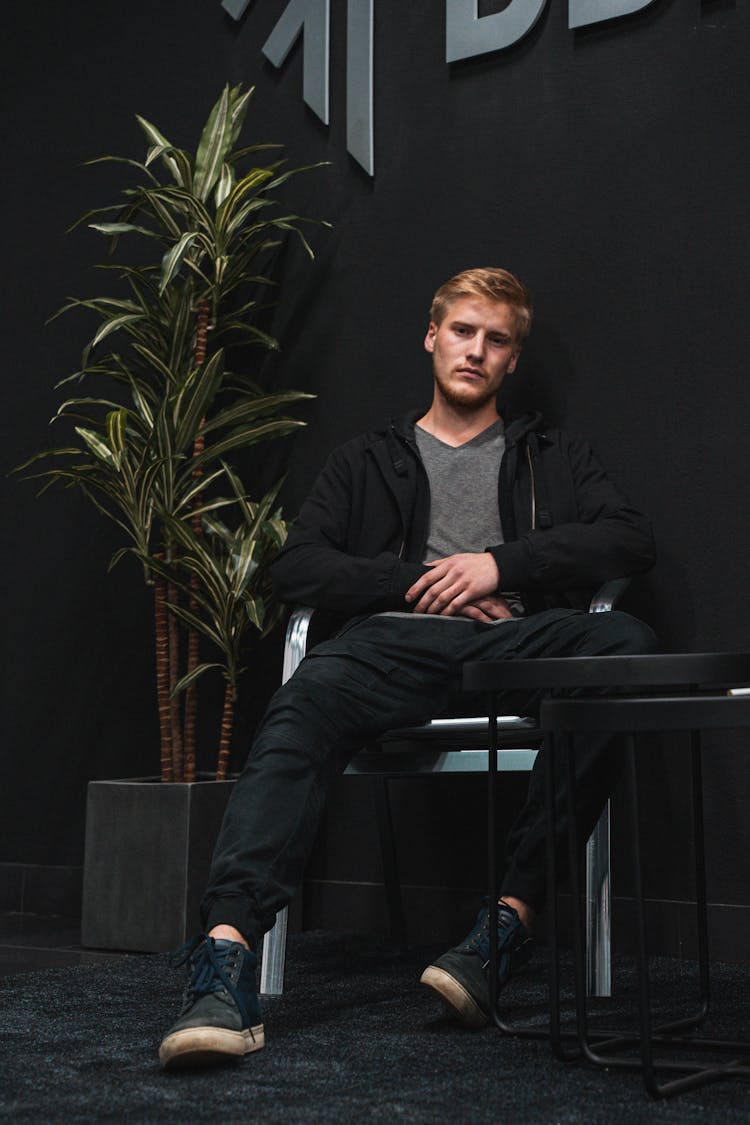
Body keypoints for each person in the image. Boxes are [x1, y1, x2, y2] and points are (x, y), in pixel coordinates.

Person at [158, 267, 656, 1069]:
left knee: (625, 645)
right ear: (432, 336)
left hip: (511, 649)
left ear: (513, 360)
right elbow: (296, 569)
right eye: (463, 331)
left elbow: (631, 540)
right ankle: (224, 964)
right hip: (391, 647)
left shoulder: (554, 456)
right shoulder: (369, 459)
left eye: (496, 340)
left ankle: (504, 930)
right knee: (305, 692)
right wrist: (421, 587)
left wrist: (497, 566)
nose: (476, 350)